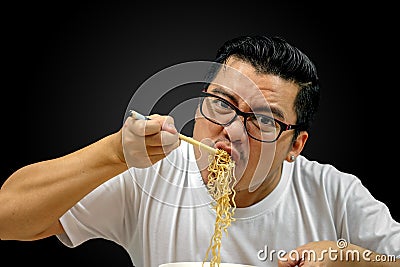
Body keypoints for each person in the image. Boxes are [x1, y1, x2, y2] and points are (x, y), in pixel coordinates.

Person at [1, 35, 399, 267]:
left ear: (296, 144)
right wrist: (115, 154)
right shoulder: (153, 172)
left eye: (264, 120)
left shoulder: (332, 193)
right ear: (198, 104)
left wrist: (350, 256)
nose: (231, 131)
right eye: (223, 103)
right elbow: (8, 218)